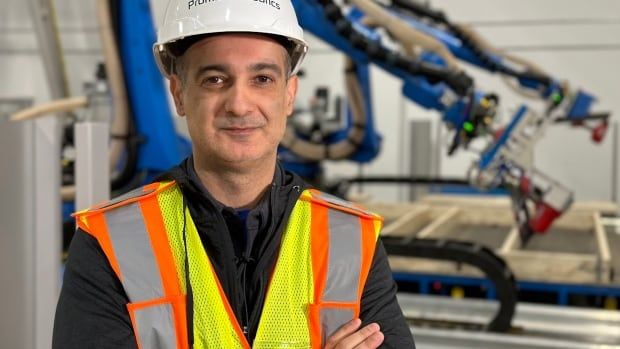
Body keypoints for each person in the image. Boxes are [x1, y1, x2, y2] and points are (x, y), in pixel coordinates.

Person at [52, 1, 415, 348]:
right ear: (179, 94)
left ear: (288, 95)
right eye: (214, 79)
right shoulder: (111, 243)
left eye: (262, 78)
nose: (240, 104)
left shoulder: (351, 240)